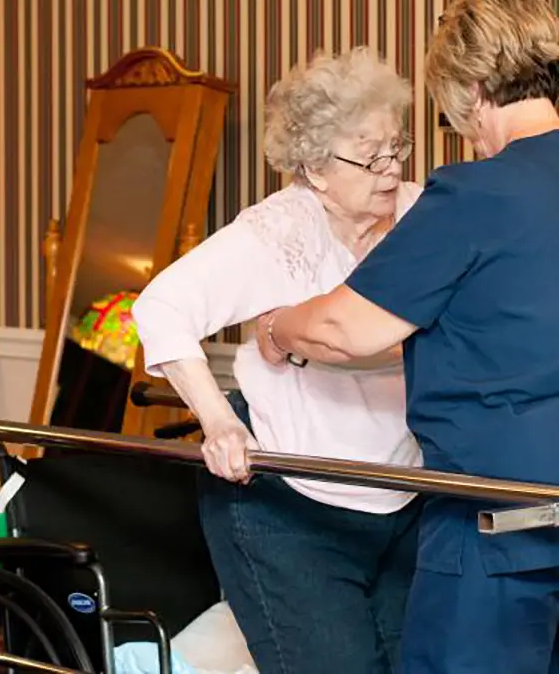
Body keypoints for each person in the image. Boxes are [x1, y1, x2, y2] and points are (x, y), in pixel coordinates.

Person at [256, 0, 559, 674]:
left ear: (471, 88)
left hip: (513, 505)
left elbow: (346, 328)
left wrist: (278, 327)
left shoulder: (473, 193)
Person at [131, 46, 424, 674]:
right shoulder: (278, 232)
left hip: (399, 499)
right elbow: (162, 306)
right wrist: (219, 422)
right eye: (369, 155)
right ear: (315, 167)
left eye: (396, 147)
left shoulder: (417, 215)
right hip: (288, 505)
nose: (390, 169)